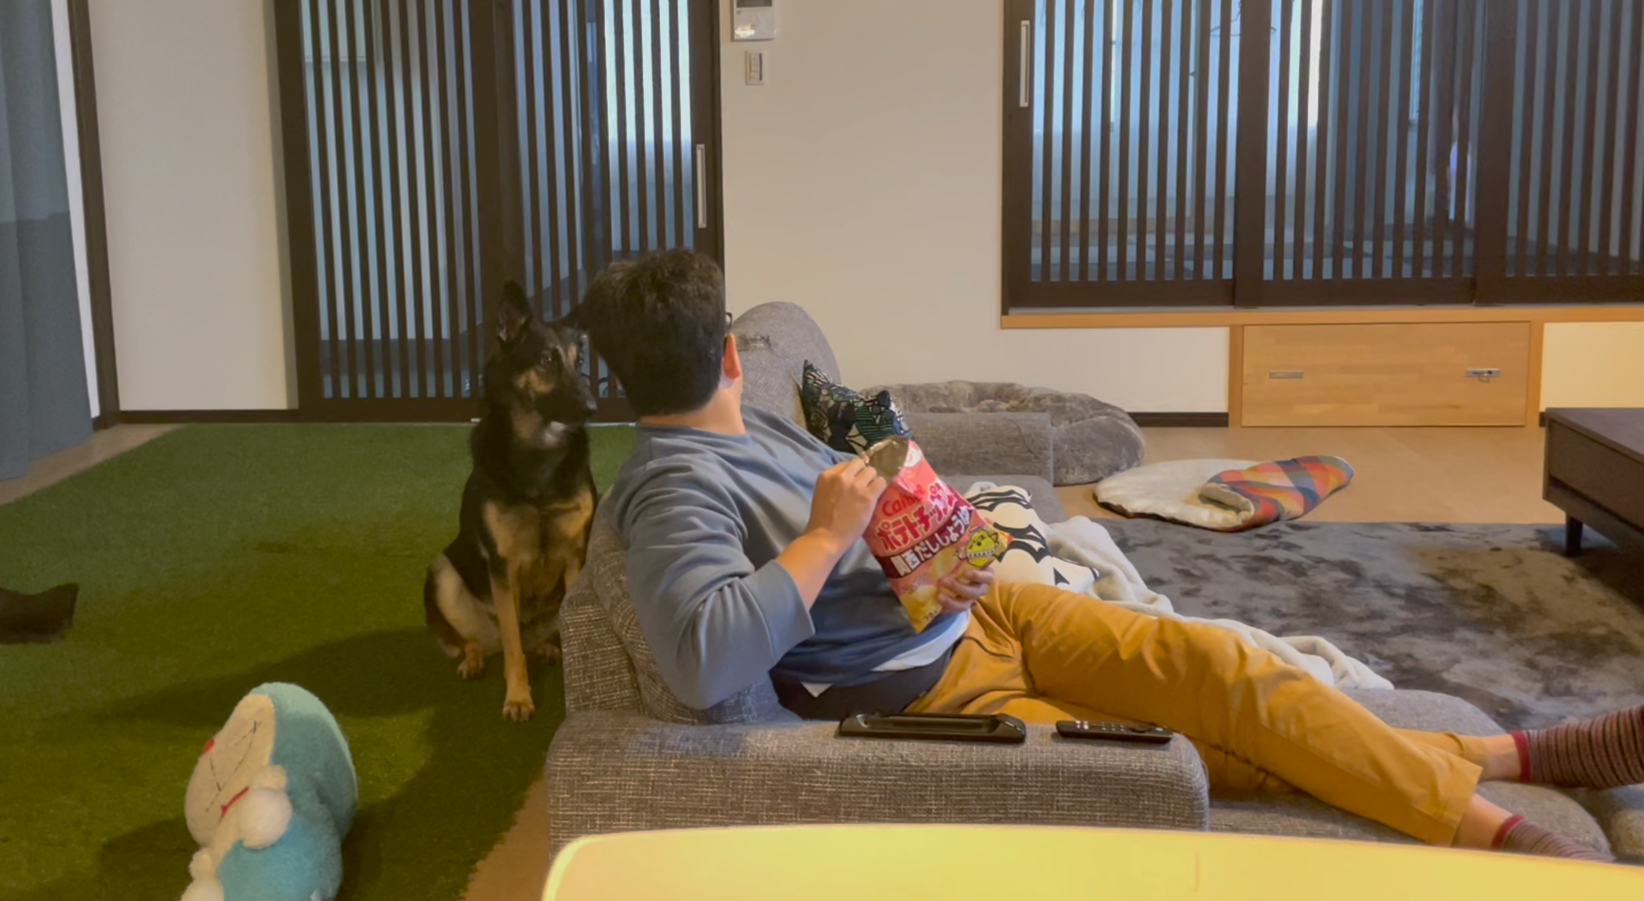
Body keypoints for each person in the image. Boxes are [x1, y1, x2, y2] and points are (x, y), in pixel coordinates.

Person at [582, 250, 1643, 861]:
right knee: (1199, 747)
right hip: (926, 695)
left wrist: (927, 524)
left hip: (980, 609)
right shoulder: (674, 490)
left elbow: (864, 517)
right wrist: (825, 537)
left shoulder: (755, 426)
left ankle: (1505, 759)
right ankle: (1505, 818)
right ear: (730, 354)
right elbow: (703, 661)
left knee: (1226, 668)